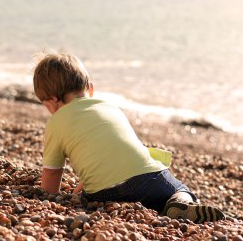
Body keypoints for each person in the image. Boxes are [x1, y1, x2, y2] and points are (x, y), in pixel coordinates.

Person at [33, 52, 225, 223]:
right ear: (90, 89)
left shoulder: (56, 122)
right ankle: (180, 203)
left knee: (97, 191)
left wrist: (52, 198)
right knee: (178, 189)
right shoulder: (110, 107)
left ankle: (169, 206)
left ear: (51, 102)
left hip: (106, 194)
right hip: (149, 179)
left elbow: (52, 173)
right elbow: (116, 151)